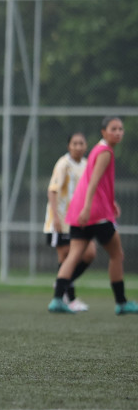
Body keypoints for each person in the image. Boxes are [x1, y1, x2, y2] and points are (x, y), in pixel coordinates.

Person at [49, 116, 136, 315]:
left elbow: (94, 181)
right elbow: (93, 182)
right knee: (116, 255)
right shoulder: (105, 152)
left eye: (121, 129)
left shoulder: (97, 150)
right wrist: (88, 207)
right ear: (103, 132)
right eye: (113, 129)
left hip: (80, 212)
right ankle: (122, 302)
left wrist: (108, 201)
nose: (118, 132)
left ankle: (57, 300)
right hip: (95, 214)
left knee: (73, 256)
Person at [43, 132, 95, 312]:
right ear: (69, 146)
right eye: (75, 143)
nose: (78, 146)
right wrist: (56, 217)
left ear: (86, 146)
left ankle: (61, 284)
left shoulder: (87, 164)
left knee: (89, 253)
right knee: (66, 256)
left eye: (81, 143)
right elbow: (52, 191)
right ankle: (69, 298)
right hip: (61, 220)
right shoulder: (63, 164)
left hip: (77, 220)